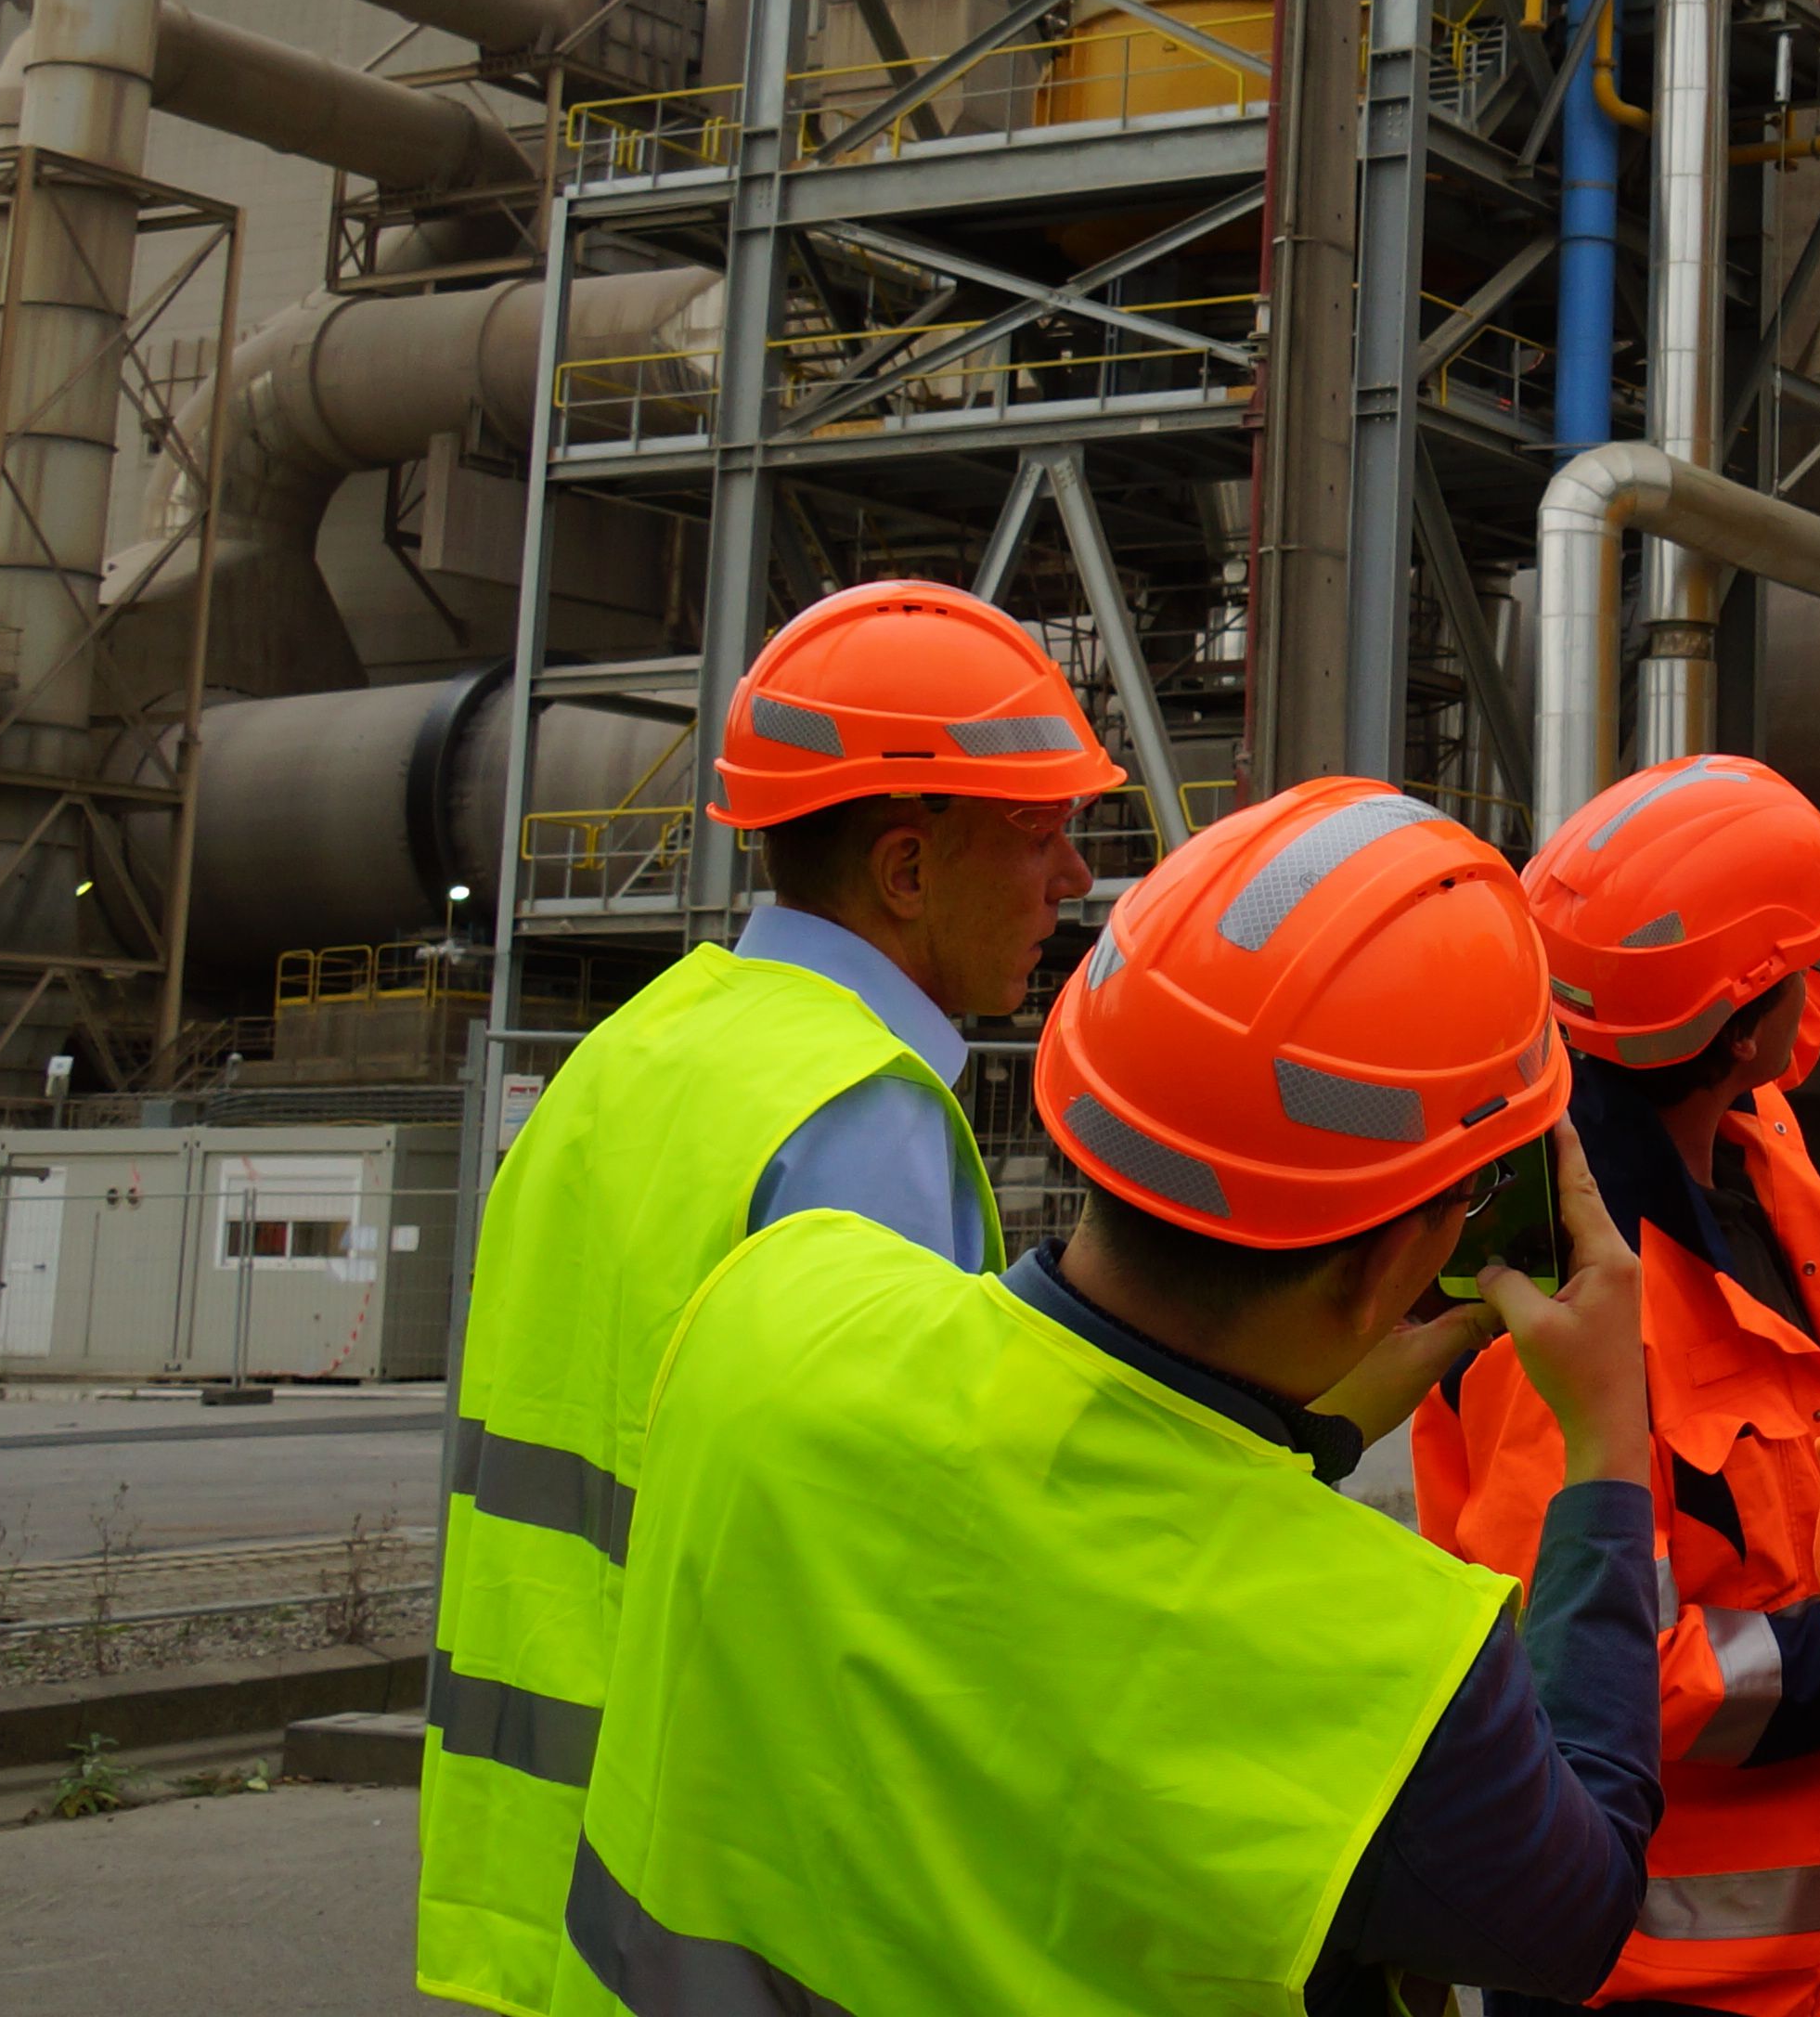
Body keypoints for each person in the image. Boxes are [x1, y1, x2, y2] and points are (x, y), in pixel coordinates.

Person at [561, 776, 1673, 2014]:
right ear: (1384, 1264)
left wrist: (1309, 1424)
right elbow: (1579, 1908)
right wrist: (1606, 1449)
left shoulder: (771, 1304)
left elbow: (1053, 1499)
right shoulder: (1389, 1665)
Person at [420, 577, 1124, 2013]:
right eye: (1041, 834)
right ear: (907, 870)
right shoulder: (859, 1114)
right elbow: (906, 1573)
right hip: (722, 1889)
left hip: (538, 1866)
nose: (1073, 879)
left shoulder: (625, 1059)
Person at [1403, 591, 1820, 2017]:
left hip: (1809, 1953)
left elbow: (1775, 965)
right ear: (1741, 1027)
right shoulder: (1552, 1310)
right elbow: (1591, 1664)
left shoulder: (1739, 1133)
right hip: (1652, 1967)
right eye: (1799, 976)